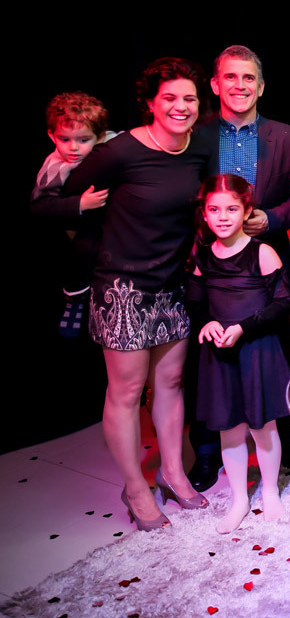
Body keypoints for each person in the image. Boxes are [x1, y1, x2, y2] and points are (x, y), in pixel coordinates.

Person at [63, 57, 215, 531]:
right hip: (122, 289)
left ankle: (172, 473)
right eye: (169, 98)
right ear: (150, 102)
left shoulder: (198, 148)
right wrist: (79, 206)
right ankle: (134, 487)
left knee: (169, 384)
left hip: (172, 285)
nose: (180, 106)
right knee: (126, 391)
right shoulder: (120, 152)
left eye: (189, 98)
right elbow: (54, 202)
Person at [188, 44, 290, 492]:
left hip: (265, 258)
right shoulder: (196, 134)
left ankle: (282, 447)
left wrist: (270, 218)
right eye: (230, 77)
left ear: (262, 86)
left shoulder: (287, 137)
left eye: (248, 77)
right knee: (209, 356)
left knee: (271, 353)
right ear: (215, 85)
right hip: (212, 261)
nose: (240, 85)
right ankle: (206, 451)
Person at [189, 175, 290, 534]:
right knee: (229, 429)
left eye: (231, 209)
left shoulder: (261, 252)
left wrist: (243, 328)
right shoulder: (204, 256)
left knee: (262, 426)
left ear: (247, 211)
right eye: (214, 210)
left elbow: (284, 302)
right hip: (220, 354)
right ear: (204, 214)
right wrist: (207, 323)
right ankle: (238, 500)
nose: (223, 217)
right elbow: (196, 303)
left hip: (256, 350)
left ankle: (270, 491)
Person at [31, 92, 114, 338]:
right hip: (79, 226)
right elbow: (40, 205)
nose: (73, 147)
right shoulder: (55, 165)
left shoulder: (111, 142)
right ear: (51, 135)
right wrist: (80, 203)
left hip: (112, 225)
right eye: (64, 139)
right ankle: (75, 299)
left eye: (83, 140)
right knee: (80, 252)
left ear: (99, 136)